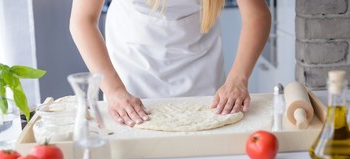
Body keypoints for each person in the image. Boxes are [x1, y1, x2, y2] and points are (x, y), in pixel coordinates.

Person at [69, 0, 271, 127]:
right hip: (131, 66)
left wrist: (238, 79)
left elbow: (257, 15)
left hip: (201, 65)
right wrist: (114, 92)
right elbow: (82, 20)